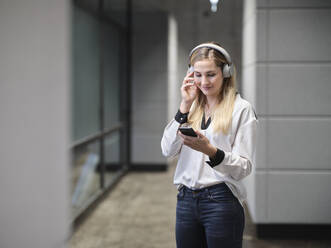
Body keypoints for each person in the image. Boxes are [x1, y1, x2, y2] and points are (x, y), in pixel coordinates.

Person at [161, 42, 258, 248]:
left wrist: (211, 151)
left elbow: (243, 168)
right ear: (190, 74)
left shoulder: (241, 109)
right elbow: (167, 149)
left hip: (221, 201)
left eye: (211, 74)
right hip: (186, 201)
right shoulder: (191, 106)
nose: (203, 82)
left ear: (226, 72)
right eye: (197, 74)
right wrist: (184, 107)